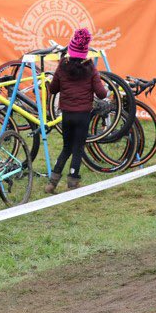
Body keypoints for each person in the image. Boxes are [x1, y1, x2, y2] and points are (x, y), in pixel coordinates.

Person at [45, 28, 106, 193]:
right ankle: (72, 182)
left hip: (67, 114)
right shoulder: (90, 68)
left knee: (66, 147)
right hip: (83, 115)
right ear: (85, 52)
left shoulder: (62, 66)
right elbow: (101, 93)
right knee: (78, 148)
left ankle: (52, 182)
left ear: (70, 50)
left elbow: (53, 89)